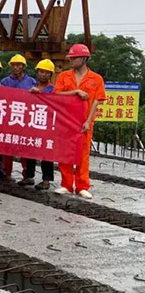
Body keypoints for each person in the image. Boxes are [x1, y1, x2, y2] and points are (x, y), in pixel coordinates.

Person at [53, 44, 105, 199]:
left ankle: (82, 185)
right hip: (66, 121)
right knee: (65, 153)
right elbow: (57, 95)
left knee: (83, 154)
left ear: (83, 58)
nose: (70, 60)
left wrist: (88, 121)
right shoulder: (63, 76)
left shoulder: (96, 78)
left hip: (84, 122)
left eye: (74, 58)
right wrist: (75, 92)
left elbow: (96, 101)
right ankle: (67, 184)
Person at [20, 59, 56, 190]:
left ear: (50, 74)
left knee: (46, 153)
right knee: (30, 150)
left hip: (47, 125)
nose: (43, 75)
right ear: (37, 72)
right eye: (41, 72)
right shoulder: (31, 87)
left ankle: (46, 180)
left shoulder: (53, 89)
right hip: (32, 123)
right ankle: (28, 176)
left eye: (47, 72)